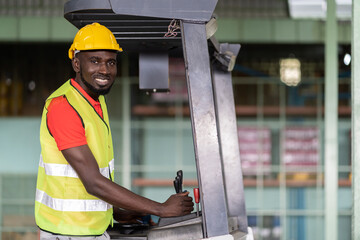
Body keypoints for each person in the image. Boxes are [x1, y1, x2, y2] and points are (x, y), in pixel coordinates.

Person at [34, 22, 194, 240]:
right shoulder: (64, 106)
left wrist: (115, 212)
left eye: (111, 62)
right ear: (76, 64)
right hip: (68, 233)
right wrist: (161, 209)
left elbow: (84, 182)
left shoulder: (94, 103)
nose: (105, 70)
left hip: (89, 230)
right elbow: (93, 181)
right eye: (95, 61)